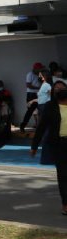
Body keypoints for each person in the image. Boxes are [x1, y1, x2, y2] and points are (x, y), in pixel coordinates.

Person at [30, 79, 67, 215]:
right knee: (63, 176)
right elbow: (41, 127)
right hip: (60, 145)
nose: (60, 90)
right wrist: (34, 146)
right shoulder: (50, 106)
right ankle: (65, 203)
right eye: (56, 89)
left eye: (62, 88)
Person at [21, 62, 45, 132]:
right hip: (31, 95)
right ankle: (22, 126)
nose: (40, 70)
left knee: (42, 110)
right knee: (30, 111)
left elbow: (43, 82)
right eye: (39, 68)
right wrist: (38, 88)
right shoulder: (30, 74)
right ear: (36, 68)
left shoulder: (40, 74)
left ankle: (41, 127)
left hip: (39, 94)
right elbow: (28, 85)